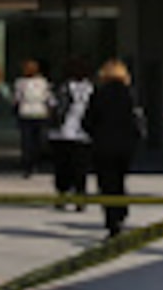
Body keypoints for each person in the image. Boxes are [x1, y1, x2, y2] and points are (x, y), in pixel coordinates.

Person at [86, 57, 145, 235]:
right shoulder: (129, 94)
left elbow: (88, 120)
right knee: (119, 178)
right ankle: (121, 208)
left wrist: (94, 133)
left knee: (106, 183)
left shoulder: (98, 94)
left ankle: (112, 219)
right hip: (125, 145)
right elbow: (135, 120)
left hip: (103, 144)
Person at [49, 58, 95, 207]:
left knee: (63, 166)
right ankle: (79, 195)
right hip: (82, 133)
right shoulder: (92, 88)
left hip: (65, 132)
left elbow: (53, 105)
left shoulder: (62, 88)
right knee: (80, 167)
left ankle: (64, 194)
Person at [11, 58, 53, 180]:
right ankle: (32, 163)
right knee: (34, 140)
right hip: (36, 112)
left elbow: (17, 98)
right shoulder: (42, 82)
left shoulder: (21, 82)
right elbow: (48, 97)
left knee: (28, 141)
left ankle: (29, 164)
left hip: (28, 112)